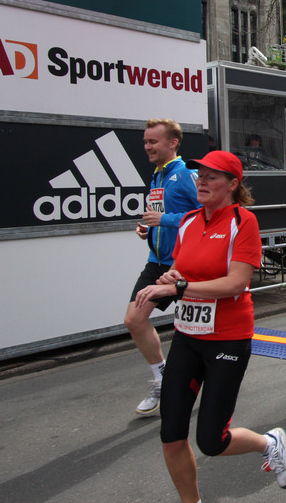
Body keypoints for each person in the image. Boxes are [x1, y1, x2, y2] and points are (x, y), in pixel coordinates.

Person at [134, 150, 286, 500]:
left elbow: (235, 283)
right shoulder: (189, 221)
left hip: (227, 340)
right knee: (171, 435)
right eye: (200, 175)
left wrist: (178, 287)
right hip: (187, 337)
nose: (202, 182)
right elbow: (181, 270)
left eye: (212, 177)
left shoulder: (243, 221)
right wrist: (171, 276)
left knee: (212, 441)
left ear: (232, 184)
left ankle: (269, 443)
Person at [124, 118, 200, 417]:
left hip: (183, 264)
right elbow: (162, 215)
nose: (147, 146)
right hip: (156, 262)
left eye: (153, 141)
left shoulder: (187, 174)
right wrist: (148, 228)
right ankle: (161, 377)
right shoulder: (157, 175)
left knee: (195, 330)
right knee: (133, 319)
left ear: (173, 143)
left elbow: (208, 216)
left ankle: (204, 381)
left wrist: (164, 221)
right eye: (146, 141)